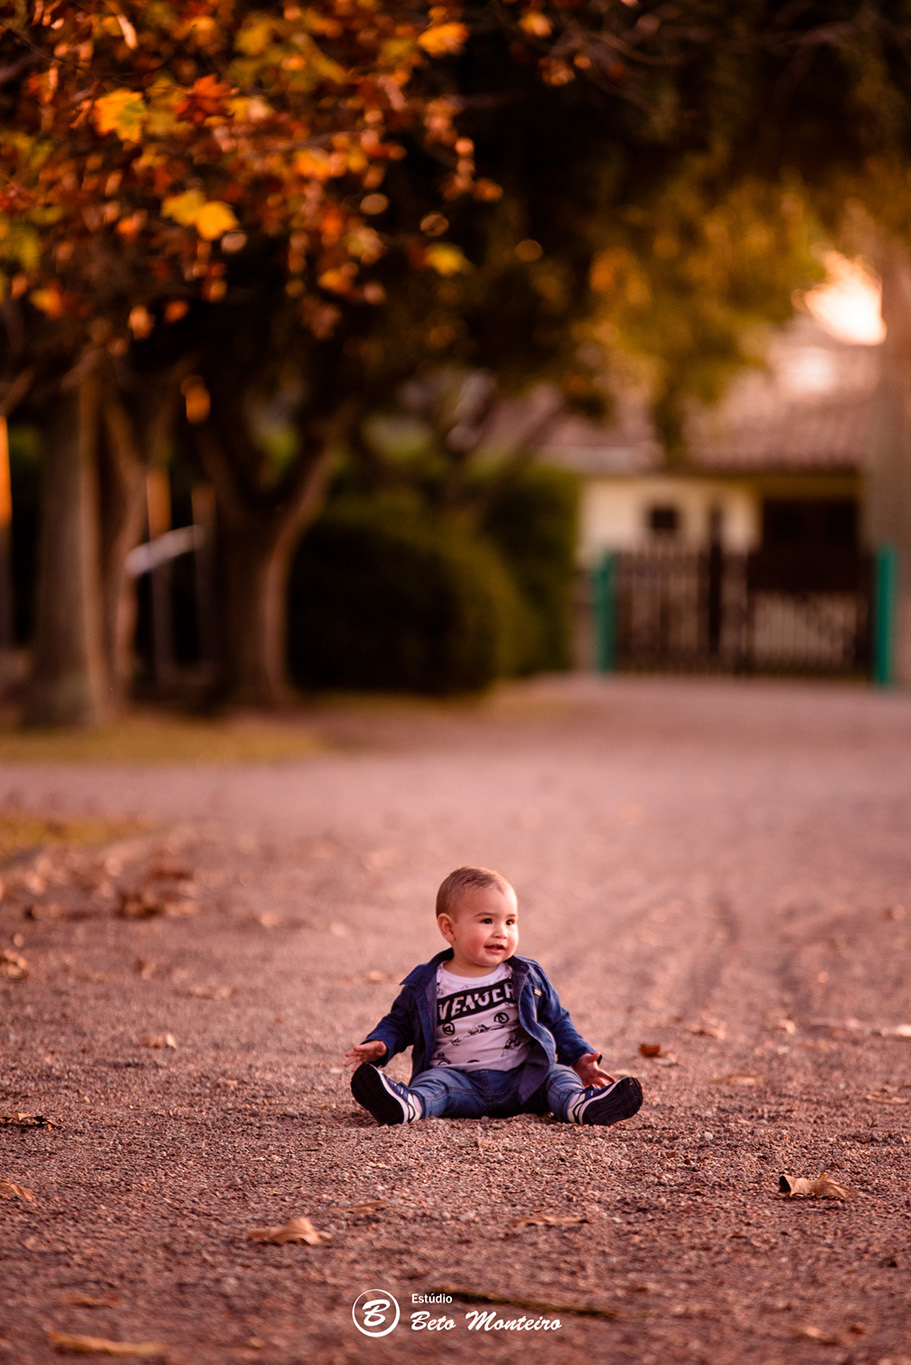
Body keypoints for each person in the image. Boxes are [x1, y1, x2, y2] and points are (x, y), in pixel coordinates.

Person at [344, 865, 643, 1127]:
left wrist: (580, 1057)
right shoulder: (427, 982)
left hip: (524, 1081)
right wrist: (381, 1043)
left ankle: (580, 1105)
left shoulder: (525, 976)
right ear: (449, 928)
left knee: (558, 1076)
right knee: (432, 1084)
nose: (501, 932)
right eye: (487, 921)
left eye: (510, 922)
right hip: (459, 1083)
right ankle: (408, 1105)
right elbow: (399, 1022)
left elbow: (557, 1020)